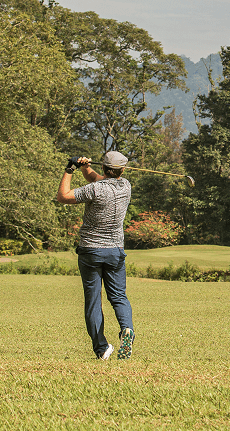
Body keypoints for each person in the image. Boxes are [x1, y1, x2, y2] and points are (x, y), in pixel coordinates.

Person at [56, 150, 135, 360]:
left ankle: (101, 348)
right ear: (122, 170)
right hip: (115, 251)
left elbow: (62, 196)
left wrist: (70, 169)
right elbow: (99, 179)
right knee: (118, 296)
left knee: (93, 301)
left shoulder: (95, 190)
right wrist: (85, 167)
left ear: (104, 168)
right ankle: (127, 329)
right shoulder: (126, 186)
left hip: (91, 251)